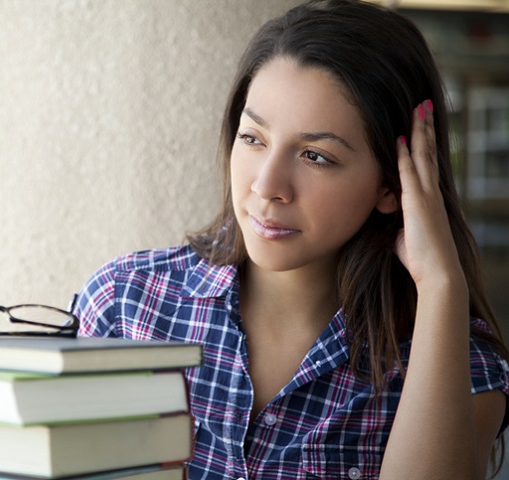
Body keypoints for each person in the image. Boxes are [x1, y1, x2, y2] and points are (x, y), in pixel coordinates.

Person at [72, 0, 509, 478]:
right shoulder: (126, 305)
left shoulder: (453, 359)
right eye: (254, 138)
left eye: (315, 156)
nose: (266, 186)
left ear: (391, 185)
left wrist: (442, 282)